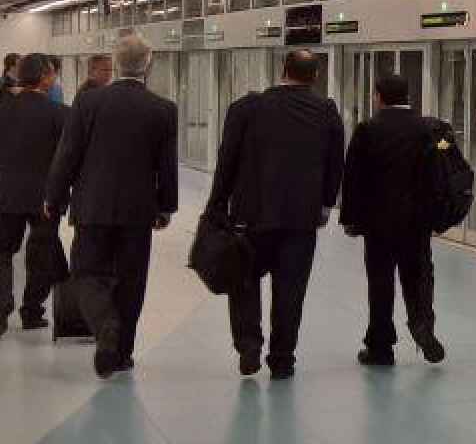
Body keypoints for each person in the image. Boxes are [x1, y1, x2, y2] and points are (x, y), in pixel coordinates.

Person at [43, 35, 176, 378]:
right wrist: (165, 207)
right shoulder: (162, 108)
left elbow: (67, 155)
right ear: (147, 65)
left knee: (85, 272)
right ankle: (122, 354)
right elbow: (166, 164)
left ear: (115, 64)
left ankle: (105, 327)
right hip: (138, 210)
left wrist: (53, 197)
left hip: (92, 205)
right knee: (132, 281)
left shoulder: (88, 103)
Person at [207, 50, 344, 379]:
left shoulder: (245, 108)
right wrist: (325, 206)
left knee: (244, 281)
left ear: (282, 70)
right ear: (314, 77)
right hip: (300, 219)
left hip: (249, 216)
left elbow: (227, 160)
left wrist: (216, 204)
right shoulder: (326, 112)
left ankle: (249, 347)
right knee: (291, 289)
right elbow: (335, 163)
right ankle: (282, 358)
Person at [341, 73, 445, 367]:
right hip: (416, 222)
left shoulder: (368, 130)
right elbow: (436, 176)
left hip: (378, 223)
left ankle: (380, 347)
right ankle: (422, 324)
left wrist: (351, 219)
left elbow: (353, 178)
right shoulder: (426, 130)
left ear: (379, 97)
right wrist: (436, 217)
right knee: (418, 277)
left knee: (380, 283)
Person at [0, 55, 69, 336]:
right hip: (45, 198)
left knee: (2, 252)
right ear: (44, 78)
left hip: (4, 194)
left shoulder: (2, 109)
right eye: (52, 73)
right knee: (41, 254)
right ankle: (31, 311)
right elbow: (68, 159)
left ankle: (1, 311)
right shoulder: (61, 114)